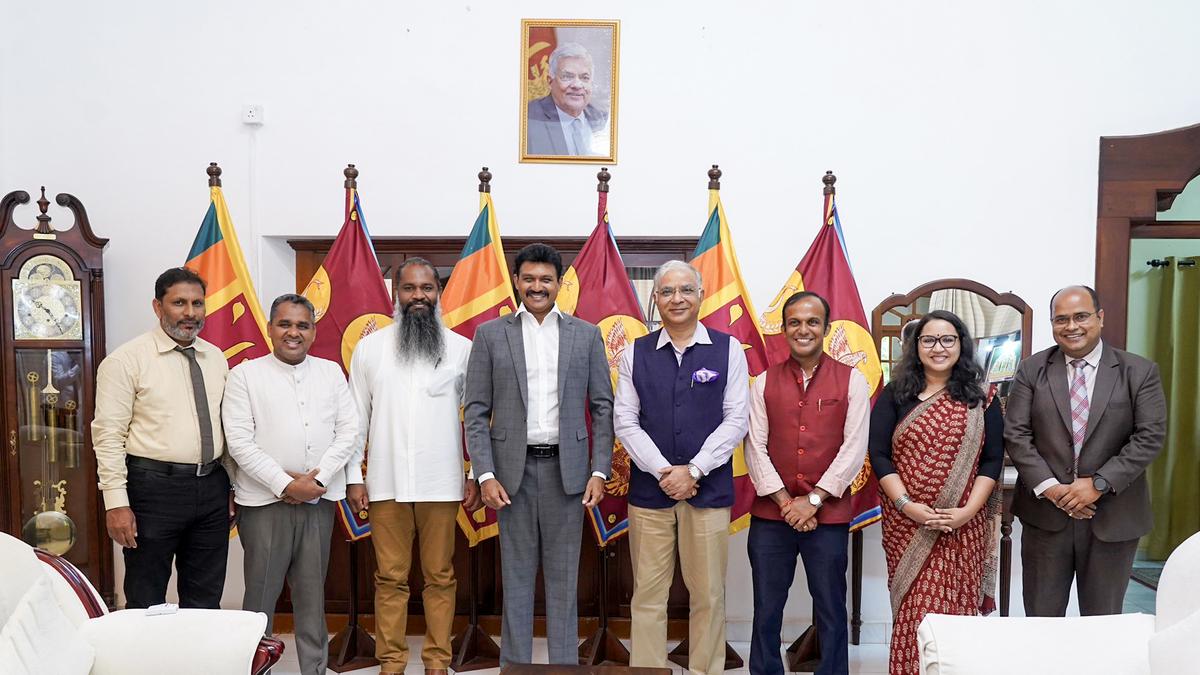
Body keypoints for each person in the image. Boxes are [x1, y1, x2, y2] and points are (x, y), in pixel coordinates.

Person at [464, 243, 613, 665]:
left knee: (565, 580)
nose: (537, 286)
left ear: (559, 283)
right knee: (516, 579)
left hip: (569, 474)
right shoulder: (491, 335)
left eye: (546, 279)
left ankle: (563, 669)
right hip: (511, 477)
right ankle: (515, 669)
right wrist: (484, 474)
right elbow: (475, 410)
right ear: (516, 281)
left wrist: (600, 470)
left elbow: (603, 407)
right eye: (528, 278)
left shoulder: (586, 335)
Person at [344, 258, 480, 675]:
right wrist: (353, 478)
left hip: (442, 483)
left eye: (426, 288)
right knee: (390, 577)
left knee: (440, 576)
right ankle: (392, 663)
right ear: (395, 294)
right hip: (385, 483)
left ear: (438, 293)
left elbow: (477, 418)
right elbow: (355, 419)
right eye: (409, 288)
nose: (418, 296)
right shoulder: (370, 348)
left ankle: (437, 662)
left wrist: (475, 474)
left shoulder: (461, 349)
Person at [614, 260, 749, 675]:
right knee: (648, 595)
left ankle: (706, 669)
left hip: (709, 491)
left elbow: (736, 419)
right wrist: (663, 471)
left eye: (686, 290)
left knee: (708, 594)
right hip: (649, 494)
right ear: (655, 299)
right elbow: (625, 421)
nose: (677, 298)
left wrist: (694, 470)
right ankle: (648, 670)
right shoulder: (634, 352)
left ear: (701, 295)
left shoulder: (728, 349)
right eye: (668, 291)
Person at [1005, 285, 1166, 617]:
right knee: (1041, 621)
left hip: (1113, 517)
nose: (1071, 326)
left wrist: (1097, 484)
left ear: (1100, 317)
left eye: (1081, 316)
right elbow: (1016, 434)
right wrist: (1053, 489)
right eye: (1061, 319)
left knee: (1103, 623)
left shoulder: (1138, 371)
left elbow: (1149, 436)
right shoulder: (1032, 370)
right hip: (1046, 517)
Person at [221, 294, 358, 675]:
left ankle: (314, 669)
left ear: (313, 331)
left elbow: (348, 431)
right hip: (263, 504)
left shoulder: (331, 372)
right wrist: (285, 484)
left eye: (302, 325)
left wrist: (317, 479)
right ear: (270, 329)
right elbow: (239, 442)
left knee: (312, 594)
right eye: (284, 324)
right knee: (261, 594)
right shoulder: (244, 375)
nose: (293, 332)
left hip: (318, 500)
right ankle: (253, 667)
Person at [869, 310, 1004, 675]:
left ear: (961, 345)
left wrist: (967, 512)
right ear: (916, 346)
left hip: (962, 528)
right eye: (928, 340)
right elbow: (878, 454)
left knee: (955, 617)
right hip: (906, 525)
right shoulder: (896, 394)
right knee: (914, 611)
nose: (938, 348)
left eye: (948, 339)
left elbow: (992, 460)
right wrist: (906, 505)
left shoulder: (983, 398)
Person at [92, 266, 234, 608]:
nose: (190, 313)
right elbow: (108, 436)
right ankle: (145, 648)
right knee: (146, 598)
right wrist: (116, 503)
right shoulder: (126, 361)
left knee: (206, 600)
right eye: (179, 303)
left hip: (211, 489)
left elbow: (226, 427)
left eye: (197, 303)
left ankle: (196, 648)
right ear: (158, 307)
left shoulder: (215, 357)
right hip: (152, 491)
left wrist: (231, 486)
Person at [743, 292, 870, 675]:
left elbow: (854, 448)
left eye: (812, 322)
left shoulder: (852, 381)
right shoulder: (763, 382)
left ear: (826, 328)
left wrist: (813, 500)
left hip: (828, 516)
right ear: (784, 329)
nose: (804, 329)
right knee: (766, 608)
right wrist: (787, 503)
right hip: (772, 516)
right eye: (795, 322)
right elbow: (754, 447)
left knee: (831, 607)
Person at [526, 42, 608, 156]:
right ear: (550, 81)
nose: (577, 85)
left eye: (585, 78)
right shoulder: (528, 118)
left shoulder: (603, 119)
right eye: (567, 77)